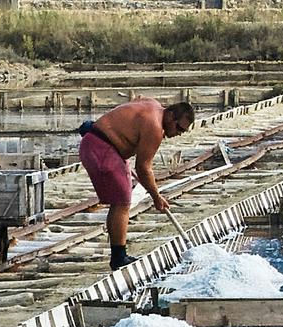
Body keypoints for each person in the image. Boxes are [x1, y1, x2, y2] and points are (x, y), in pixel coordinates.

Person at [77, 99, 197, 271]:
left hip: (97, 142)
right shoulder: (155, 127)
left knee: (119, 201)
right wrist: (156, 196)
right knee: (122, 202)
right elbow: (143, 167)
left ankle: (117, 254)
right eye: (178, 128)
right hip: (101, 148)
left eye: (183, 132)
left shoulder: (154, 105)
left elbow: (122, 117)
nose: (178, 133)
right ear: (170, 115)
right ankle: (119, 258)